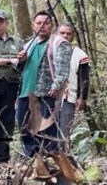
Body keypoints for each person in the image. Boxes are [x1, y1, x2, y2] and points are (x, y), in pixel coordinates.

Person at [15, 11, 72, 158]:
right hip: (25, 92)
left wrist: (56, 85)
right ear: (33, 26)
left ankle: (50, 156)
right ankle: (31, 155)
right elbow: (21, 69)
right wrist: (20, 60)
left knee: (47, 127)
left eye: (46, 23)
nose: (42, 26)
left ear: (52, 26)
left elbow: (63, 68)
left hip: (46, 92)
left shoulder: (58, 43)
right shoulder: (29, 44)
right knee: (24, 125)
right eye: (39, 23)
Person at [56, 22, 90, 149]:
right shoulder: (48, 50)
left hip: (68, 97)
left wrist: (82, 97)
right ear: (56, 34)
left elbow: (84, 77)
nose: (65, 36)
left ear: (73, 36)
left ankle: (64, 157)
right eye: (62, 33)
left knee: (64, 129)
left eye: (69, 34)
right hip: (47, 97)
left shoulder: (79, 54)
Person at [0, 10, 22, 163]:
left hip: (10, 84)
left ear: (6, 23)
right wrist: (10, 60)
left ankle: (2, 156)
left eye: (0, 22)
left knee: (7, 119)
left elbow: (22, 59)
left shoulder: (17, 42)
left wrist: (20, 58)